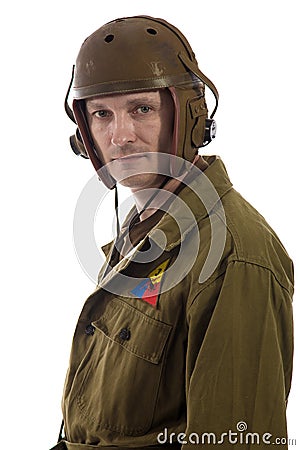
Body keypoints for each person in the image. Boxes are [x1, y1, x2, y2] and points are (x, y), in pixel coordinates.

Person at [52, 15, 294, 450]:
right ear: (83, 134)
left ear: (190, 118)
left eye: (141, 109)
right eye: (102, 114)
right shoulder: (145, 231)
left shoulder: (232, 255)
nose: (120, 136)